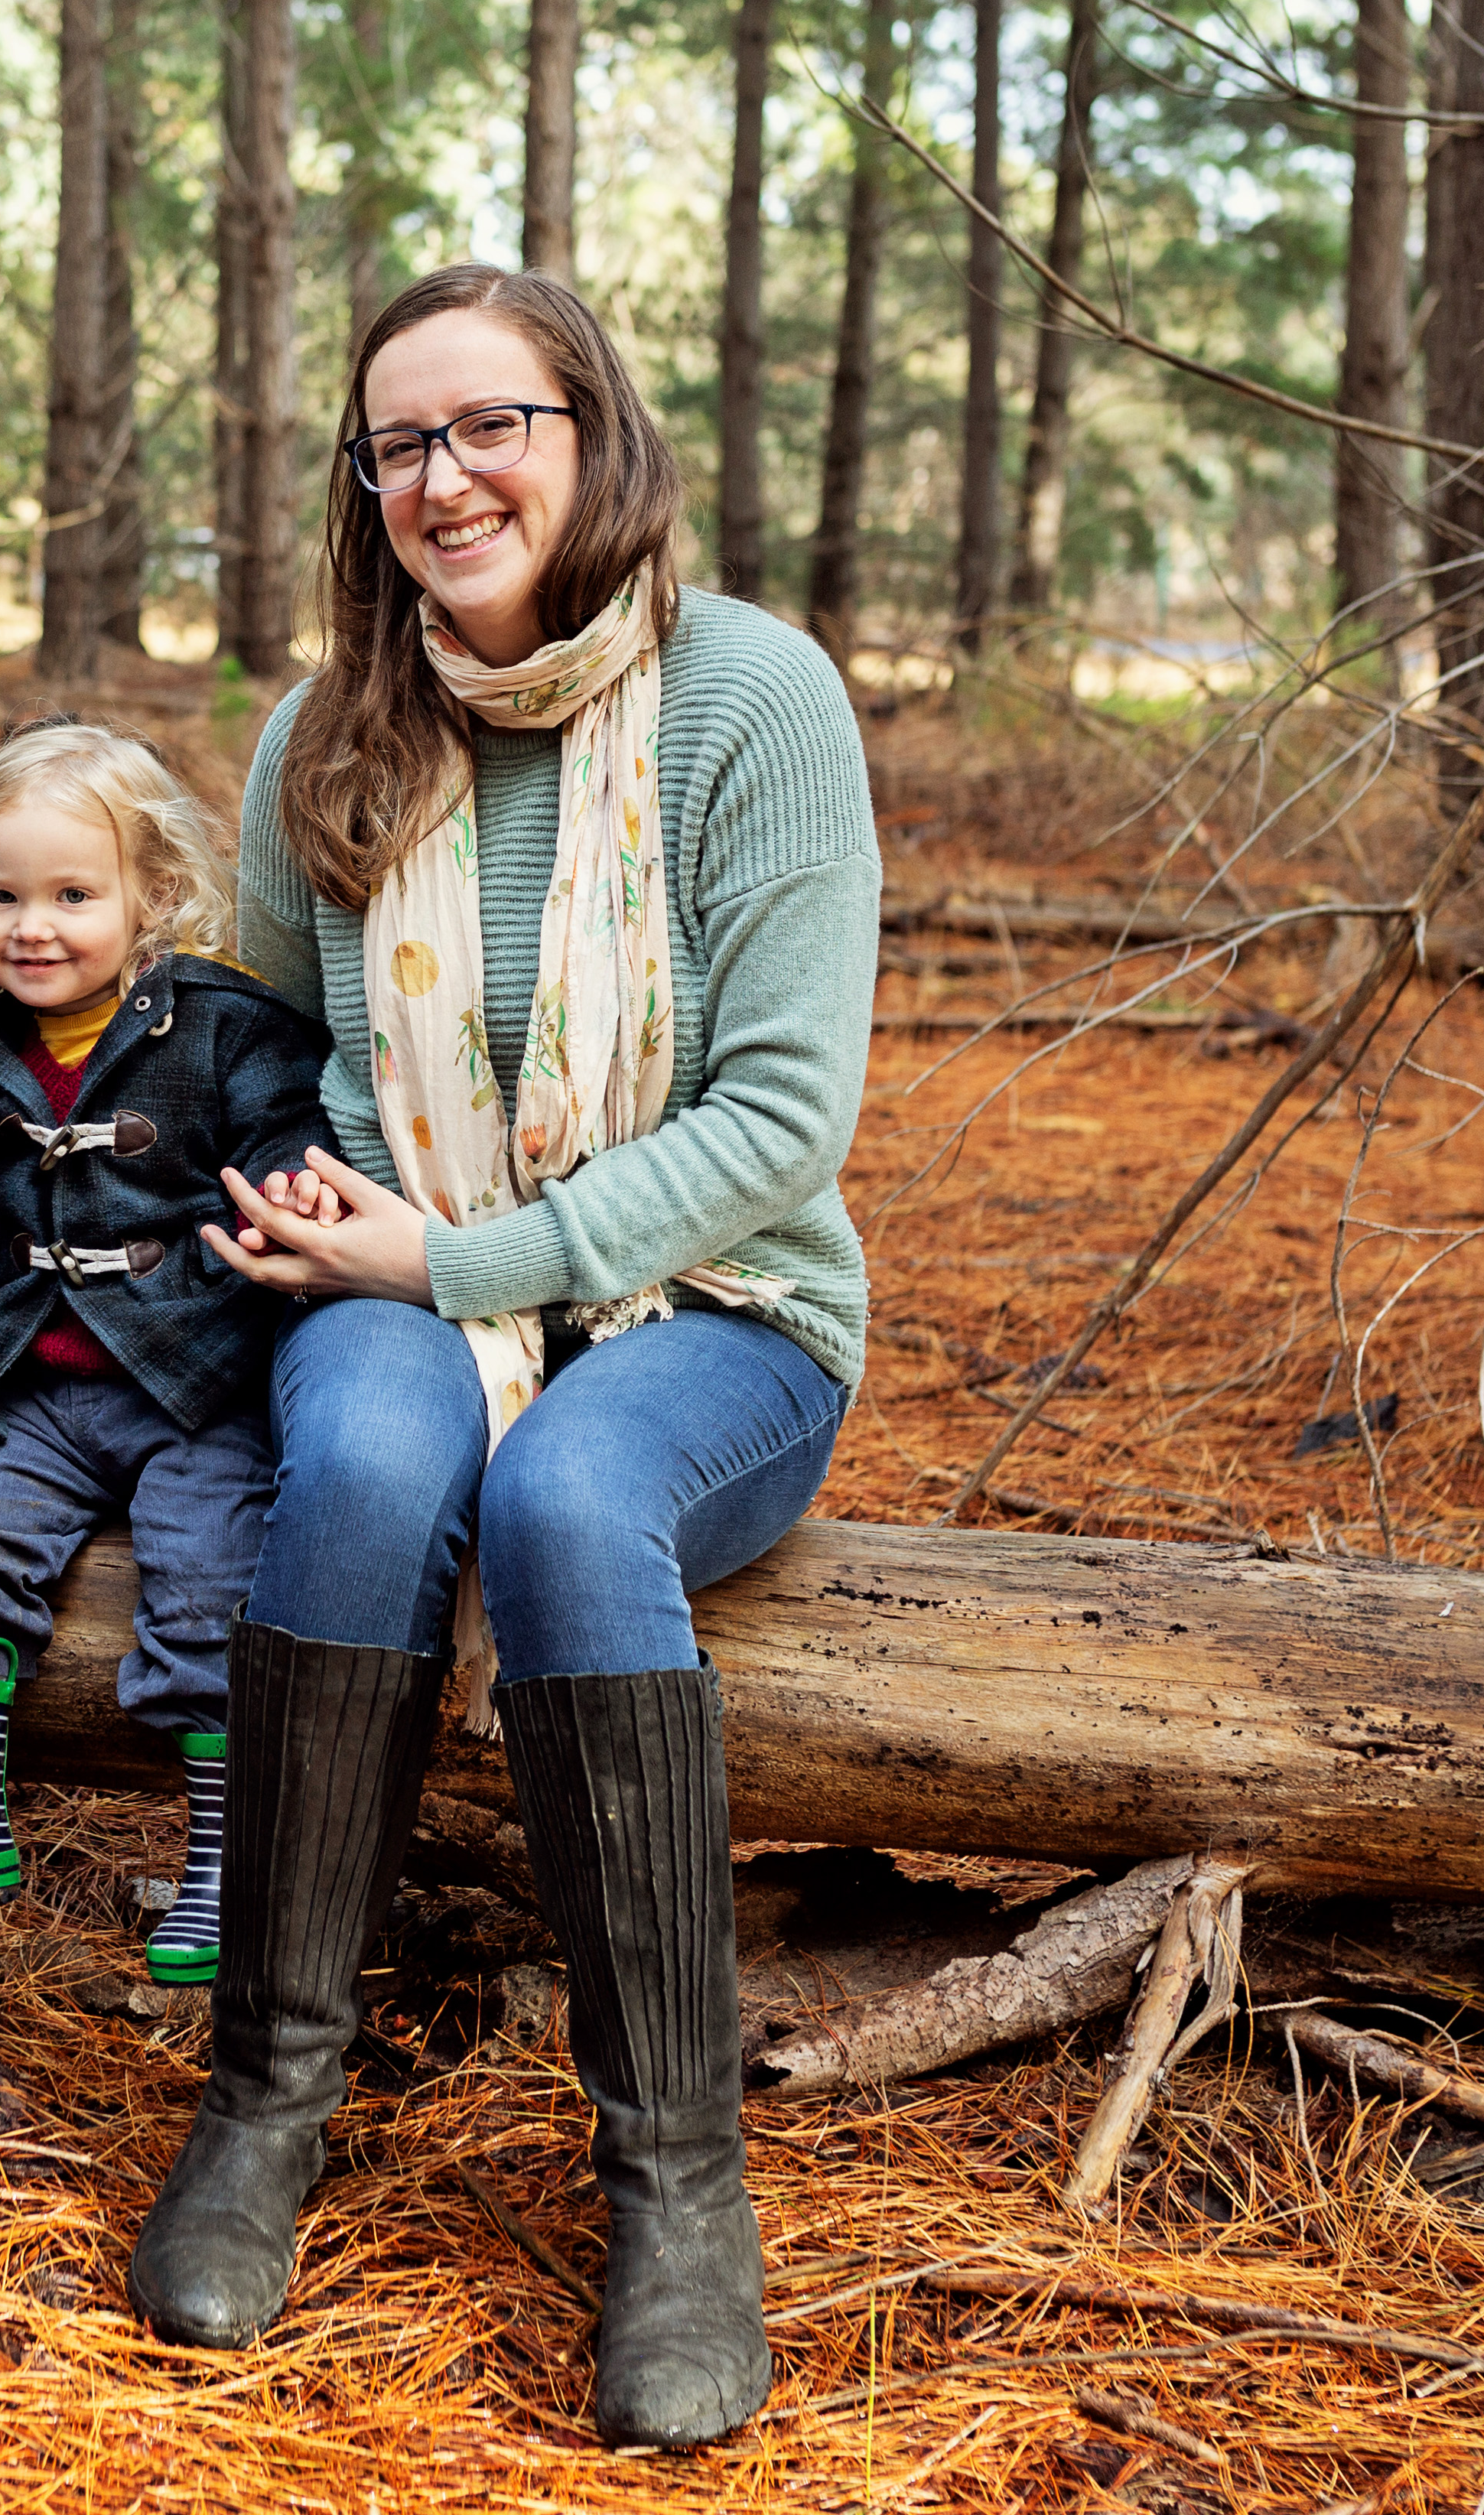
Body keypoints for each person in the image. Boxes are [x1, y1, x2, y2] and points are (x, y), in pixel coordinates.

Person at [125, 265, 880, 2450]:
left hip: (719, 1306)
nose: (443, 479)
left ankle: (674, 2187)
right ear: (362, 489)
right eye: (399, 446)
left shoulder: (754, 702)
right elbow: (261, 1052)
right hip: (381, 1282)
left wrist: (473, 1259)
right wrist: (273, 1219)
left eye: (491, 428)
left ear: (591, 433)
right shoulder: (325, 729)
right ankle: (265, 2099)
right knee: (361, 1484)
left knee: (565, 1500)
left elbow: (778, 1127)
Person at [0, 719, 329, 1985]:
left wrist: (285, 1190)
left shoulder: (222, 1027)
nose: (31, 927)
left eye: (72, 896)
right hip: (32, 1384)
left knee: (212, 1583)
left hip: (198, 1383)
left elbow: (282, 1129)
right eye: (1, 897)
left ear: (151, 896)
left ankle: (229, 1866)